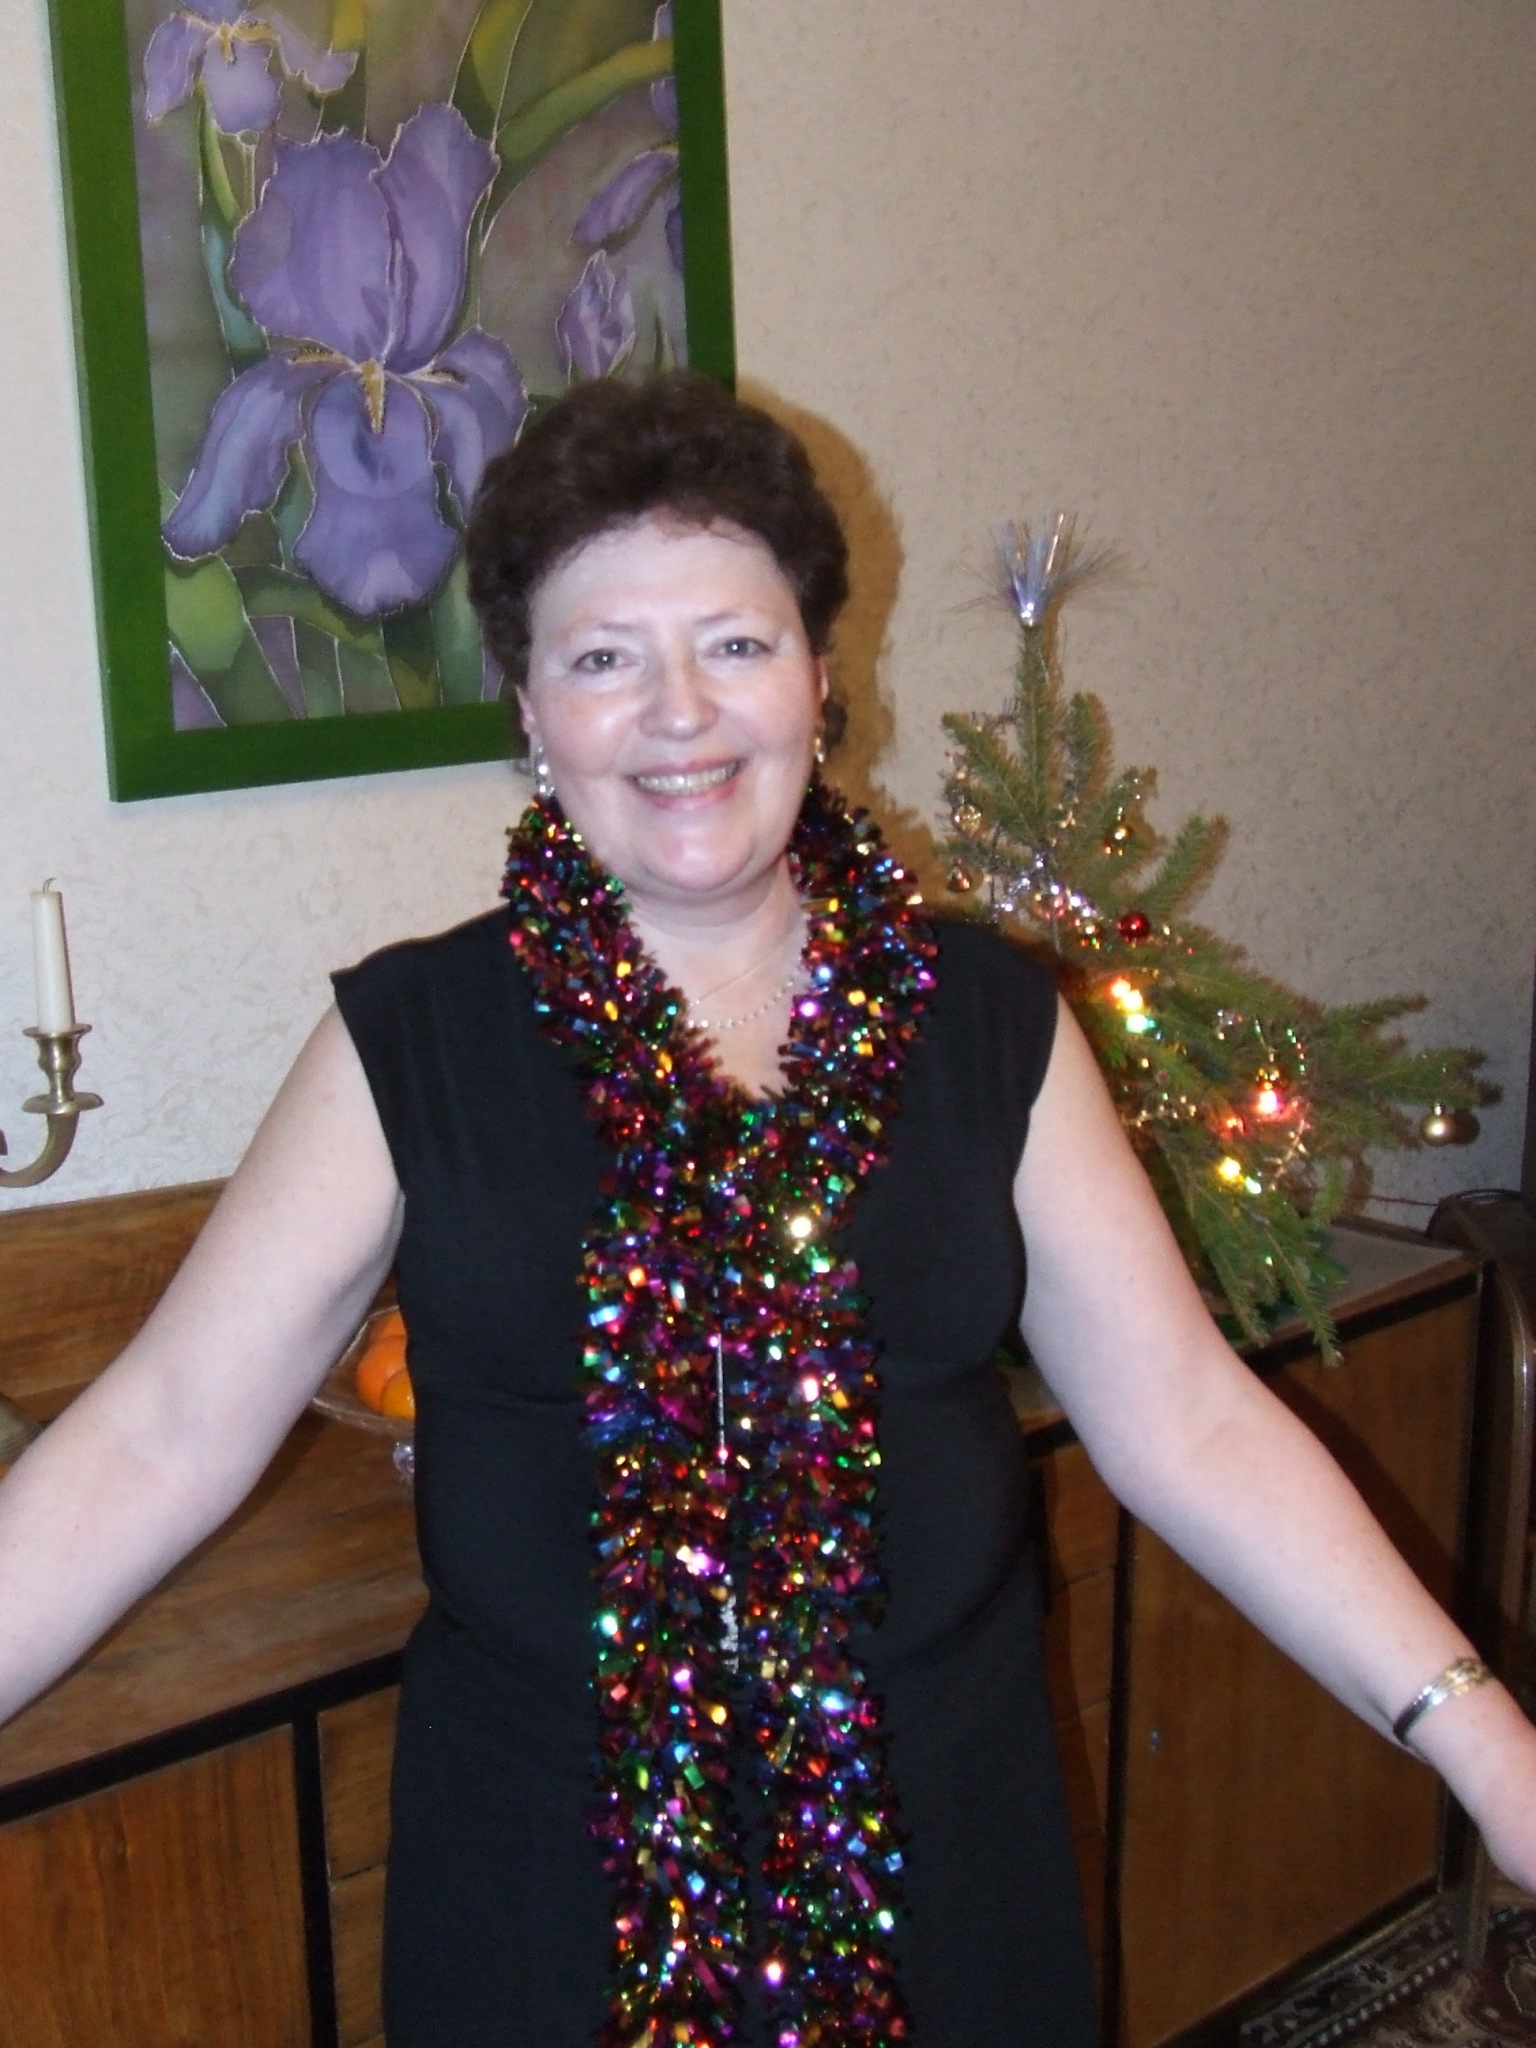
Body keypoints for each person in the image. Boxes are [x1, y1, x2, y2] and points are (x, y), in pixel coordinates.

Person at [1, 371, 1533, 2048]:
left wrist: (1487, 1742)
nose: (682, 714)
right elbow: (160, 1434)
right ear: (530, 710)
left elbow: (1186, 1418)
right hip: (543, 1896)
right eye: (605, 658)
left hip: (942, 1869)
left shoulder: (986, 1020)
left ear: (819, 678)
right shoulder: (413, 1040)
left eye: (734, 643)